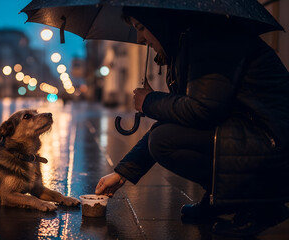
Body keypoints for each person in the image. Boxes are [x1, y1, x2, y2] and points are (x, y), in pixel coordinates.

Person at [95, 7, 289, 237]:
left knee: (164, 140)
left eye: (141, 27)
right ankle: (221, 198)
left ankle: (260, 206)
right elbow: (188, 117)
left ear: (159, 21)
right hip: (253, 134)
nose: (140, 38)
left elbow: (203, 111)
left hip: (273, 144)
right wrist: (122, 173)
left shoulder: (210, 38)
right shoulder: (188, 42)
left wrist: (150, 101)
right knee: (164, 136)